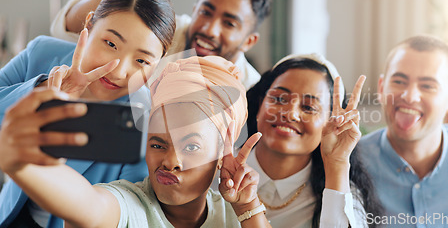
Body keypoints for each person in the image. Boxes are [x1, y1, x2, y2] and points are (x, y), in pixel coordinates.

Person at [0, 56, 271, 227]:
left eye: (191, 146)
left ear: (223, 152)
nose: (170, 162)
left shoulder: (236, 214)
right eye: (157, 144)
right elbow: (88, 206)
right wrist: (22, 162)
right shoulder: (130, 205)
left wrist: (247, 208)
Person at [0, 0, 176, 228]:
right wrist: (42, 93)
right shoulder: (41, 53)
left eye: (141, 60)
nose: (118, 71)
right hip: (10, 212)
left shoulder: (149, 124)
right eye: (111, 44)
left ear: (158, 62)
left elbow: (125, 210)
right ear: (89, 24)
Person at [51, 0, 271, 89]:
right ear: (194, 10)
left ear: (249, 41)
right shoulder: (165, 33)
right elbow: (65, 28)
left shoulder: (250, 88)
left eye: (229, 23)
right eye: (205, 12)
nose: (209, 29)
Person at [358, 35, 448, 227]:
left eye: (427, 86)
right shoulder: (351, 162)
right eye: (399, 81)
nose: (410, 96)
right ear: (381, 88)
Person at [245, 53, 383, 228]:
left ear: (330, 123)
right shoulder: (218, 170)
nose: (290, 113)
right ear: (259, 105)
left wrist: (337, 163)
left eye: (308, 107)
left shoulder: (341, 192)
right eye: (279, 99)